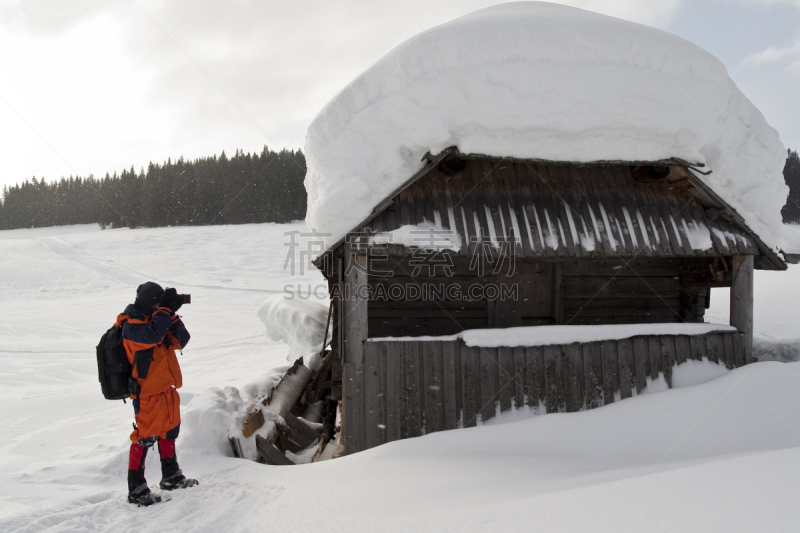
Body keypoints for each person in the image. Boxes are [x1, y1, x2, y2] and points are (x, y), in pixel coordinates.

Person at [116, 281, 198, 506]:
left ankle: (171, 476)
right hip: (147, 393)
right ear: (151, 303)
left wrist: (171, 314)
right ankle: (137, 489)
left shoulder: (157, 320)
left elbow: (182, 340)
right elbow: (151, 336)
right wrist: (164, 311)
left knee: (169, 432)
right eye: (159, 302)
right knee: (145, 437)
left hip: (166, 390)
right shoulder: (131, 324)